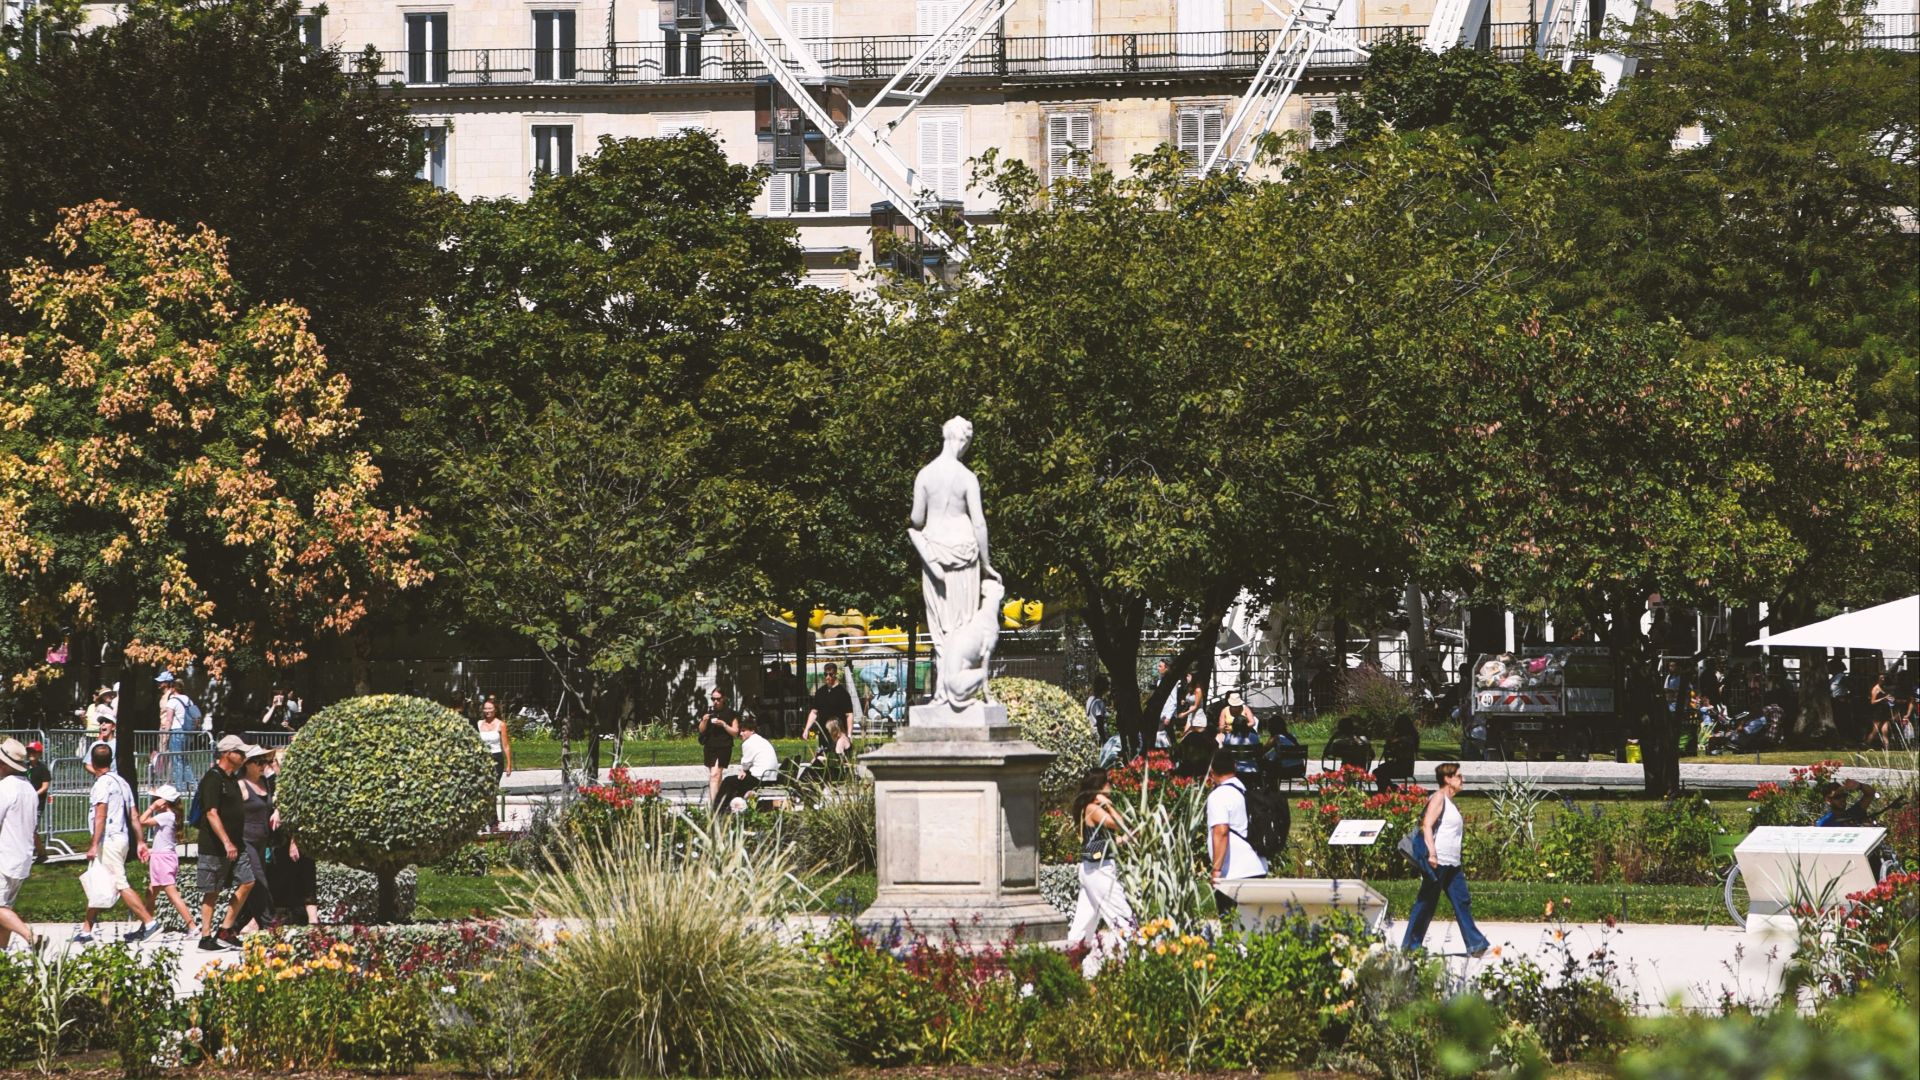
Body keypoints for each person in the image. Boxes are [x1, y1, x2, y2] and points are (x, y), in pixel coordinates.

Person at [1400, 762, 1490, 958]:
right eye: (1458, 776)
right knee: (1426, 903)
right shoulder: (1439, 797)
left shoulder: (1450, 802)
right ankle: (1410, 947)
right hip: (1438, 861)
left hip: (1452, 863)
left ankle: (1476, 944)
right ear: (1448, 779)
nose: (1462, 779)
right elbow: (1427, 825)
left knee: (1462, 900)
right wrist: (1431, 853)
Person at [76, 743, 156, 943]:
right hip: (122, 838)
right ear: (110, 760)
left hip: (108, 840)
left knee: (120, 883)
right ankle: (86, 929)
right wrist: (140, 841)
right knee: (98, 880)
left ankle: (149, 922)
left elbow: (100, 815)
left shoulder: (101, 784)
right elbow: (134, 815)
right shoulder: (122, 782)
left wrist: (94, 844)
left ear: (92, 763)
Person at [196, 735, 254, 951]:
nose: (244, 756)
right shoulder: (213, 779)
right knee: (212, 890)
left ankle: (226, 929)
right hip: (215, 845)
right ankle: (206, 937)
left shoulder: (231, 779)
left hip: (237, 845)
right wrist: (227, 842)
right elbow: (212, 813)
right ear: (228, 753)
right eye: (240, 752)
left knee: (248, 881)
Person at [1065, 768, 1135, 950]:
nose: (1110, 786)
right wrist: (1108, 804)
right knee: (1121, 914)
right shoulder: (1092, 808)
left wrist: (1125, 840)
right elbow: (1119, 824)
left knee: (1083, 922)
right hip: (1099, 870)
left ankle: (1069, 959)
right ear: (1100, 787)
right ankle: (1135, 953)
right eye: (1107, 783)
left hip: (1091, 868)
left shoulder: (1087, 808)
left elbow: (1100, 842)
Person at [1206, 748, 1267, 918]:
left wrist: (1216, 870)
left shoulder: (1219, 796)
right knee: (1253, 925)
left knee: (1231, 926)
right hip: (1256, 866)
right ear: (1234, 767)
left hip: (1234, 873)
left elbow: (1221, 831)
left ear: (1212, 771)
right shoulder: (1243, 790)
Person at [139, 783, 196, 932]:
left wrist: (151, 809)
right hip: (161, 858)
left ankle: (192, 926)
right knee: (151, 893)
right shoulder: (171, 816)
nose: (153, 801)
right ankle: (146, 925)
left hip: (163, 861)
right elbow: (164, 841)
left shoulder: (165, 816)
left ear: (163, 802)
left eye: (156, 799)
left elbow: (141, 821)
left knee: (172, 895)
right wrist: (152, 851)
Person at [0, 739, 38, 950]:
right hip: (22, 855)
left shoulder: (4, 788)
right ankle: (2, 955)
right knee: (6, 909)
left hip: (4, 854)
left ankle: (29, 935)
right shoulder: (29, 789)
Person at [235, 746, 278, 929]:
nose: (263, 766)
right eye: (259, 762)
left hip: (263, 840)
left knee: (253, 883)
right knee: (258, 879)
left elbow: (277, 801)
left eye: (266, 762)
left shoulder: (266, 783)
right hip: (246, 840)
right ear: (247, 764)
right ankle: (270, 922)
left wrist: (277, 811)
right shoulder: (241, 785)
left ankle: (235, 924)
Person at [714, 714, 780, 813]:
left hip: (759, 779)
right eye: (740, 730)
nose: (741, 733)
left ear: (752, 731)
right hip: (771, 778)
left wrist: (744, 771)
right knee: (738, 781)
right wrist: (745, 771)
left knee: (728, 781)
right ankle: (737, 808)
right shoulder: (762, 740)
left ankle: (718, 809)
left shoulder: (748, 743)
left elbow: (745, 764)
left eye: (744, 731)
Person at [698, 687, 741, 806]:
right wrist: (704, 721)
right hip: (710, 746)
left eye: (718, 699)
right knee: (716, 776)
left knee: (714, 775)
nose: (715, 702)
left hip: (724, 746)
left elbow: (735, 732)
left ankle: (714, 805)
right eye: (713, 699)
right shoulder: (709, 712)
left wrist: (724, 725)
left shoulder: (730, 713)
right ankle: (720, 800)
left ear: (724, 699)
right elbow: (701, 730)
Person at [805, 664, 855, 744]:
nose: (827, 677)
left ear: (835, 674)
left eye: (830, 674)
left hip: (838, 735)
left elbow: (849, 715)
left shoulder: (843, 693)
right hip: (824, 735)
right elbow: (814, 712)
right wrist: (807, 729)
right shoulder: (820, 692)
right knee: (824, 756)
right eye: (825, 674)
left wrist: (849, 735)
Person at [1377, 714, 1419, 793]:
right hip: (1405, 766)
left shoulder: (1404, 739)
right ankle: (1391, 789)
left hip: (1402, 767)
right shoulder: (1412, 737)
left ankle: (1391, 789)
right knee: (1379, 772)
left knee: (1378, 772)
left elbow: (1392, 750)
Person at [477, 698, 514, 781]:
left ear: (495, 710)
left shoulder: (501, 724)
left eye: (490, 708)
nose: (487, 711)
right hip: (482, 758)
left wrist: (509, 764)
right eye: (485, 708)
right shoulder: (479, 724)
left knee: (494, 784)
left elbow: (506, 746)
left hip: (496, 757)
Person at [25, 742, 49, 863]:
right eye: (29, 751)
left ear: (39, 753)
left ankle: (42, 853)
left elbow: (45, 786)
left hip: (37, 803)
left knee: (32, 829)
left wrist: (34, 794)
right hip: (25, 803)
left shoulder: (42, 768)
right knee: (25, 828)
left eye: (34, 752)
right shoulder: (24, 768)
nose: (31, 754)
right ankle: (29, 852)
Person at [1085, 674, 1112, 747]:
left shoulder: (1090, 699)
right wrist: (1105, 741)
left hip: (1090, 733)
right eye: (1108, 685)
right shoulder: (1099, 703)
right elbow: (1100, 724)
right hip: (1098, 737)